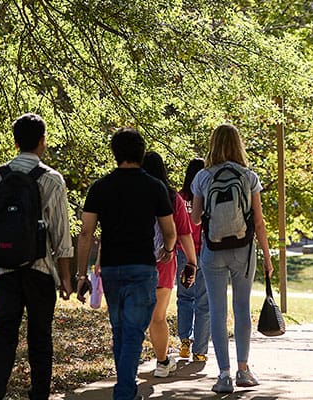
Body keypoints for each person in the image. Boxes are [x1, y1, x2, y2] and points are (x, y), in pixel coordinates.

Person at [76, 129, 177, 400]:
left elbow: (86, 233)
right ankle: (124, 392)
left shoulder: (100, 187)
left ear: (115, 154)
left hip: (111, 269)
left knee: (121, 330)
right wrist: (167, 250)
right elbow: (170, 232)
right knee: (132, 331)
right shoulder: (154, 187)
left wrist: (80, 273)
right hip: (142, 268)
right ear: (141, 154)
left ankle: (126, 389)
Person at [0, 113, 74, 400]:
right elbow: (61, 234)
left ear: (15, 141)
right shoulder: (52, 179)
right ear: (42, 142)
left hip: (5, 271)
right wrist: (66, 278)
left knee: (3, 332)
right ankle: (39, 393)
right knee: (40, 336)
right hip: (40, 271)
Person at [190, 124, 274, 394]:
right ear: (239, 144)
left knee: (217, 310)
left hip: (212, 251)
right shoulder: (249, 176)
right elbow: (259, 222)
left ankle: (223, 374)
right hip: (243, 251)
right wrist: (267, 256)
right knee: (241, 308)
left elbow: (194, 219)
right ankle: (243, 370)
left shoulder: (202, 177)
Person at [138, 151, 197, 378]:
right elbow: (184, 233)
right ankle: (162, 364)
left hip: (135, 261)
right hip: (164, 261)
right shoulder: (173, 198)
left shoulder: (132, 194)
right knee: (158, 316)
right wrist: (192, 262)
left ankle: (128, 364)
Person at [176, 158, 210, 362]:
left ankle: (184, 342)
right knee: (203, 301)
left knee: (184, 298)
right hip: (204, 252)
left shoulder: (179, 198)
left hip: (182, 253)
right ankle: (200, 350)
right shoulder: (207, 198)